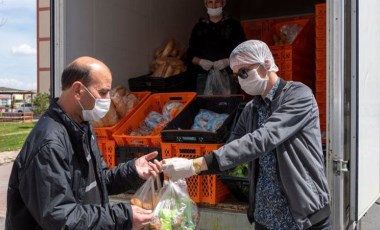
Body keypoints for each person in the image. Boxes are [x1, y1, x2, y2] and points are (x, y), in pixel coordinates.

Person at [163, 40, 331, 230]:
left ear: (266, 64)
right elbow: (232, 150)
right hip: (266, 217)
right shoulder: (251, 109)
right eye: (236, 76)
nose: (240, 80)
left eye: (243, 71)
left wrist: (195, 165)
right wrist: (185, 165)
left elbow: (263, 139)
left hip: (304, 218)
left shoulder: (298, 95)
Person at [6, 56, 162, 230]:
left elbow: (98, 181)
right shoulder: (49, 145)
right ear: (78, 90)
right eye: (103, 92)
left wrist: (132, 170)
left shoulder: (82, 127)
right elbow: (61, 219)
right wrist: (123, 217)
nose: (108, 99)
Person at [186, 0, 246, 94]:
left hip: (229, 76)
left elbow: (243, 50)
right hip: (204, 77)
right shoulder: (199, 27)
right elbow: (189, 54)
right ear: (205, 4)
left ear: (223, 3)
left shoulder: (234, 25)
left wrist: (228, 61)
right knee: (205, 106)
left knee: (228, 106)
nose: (213, 6)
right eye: (210, 2)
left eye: (217, 2)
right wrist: (201, 62)